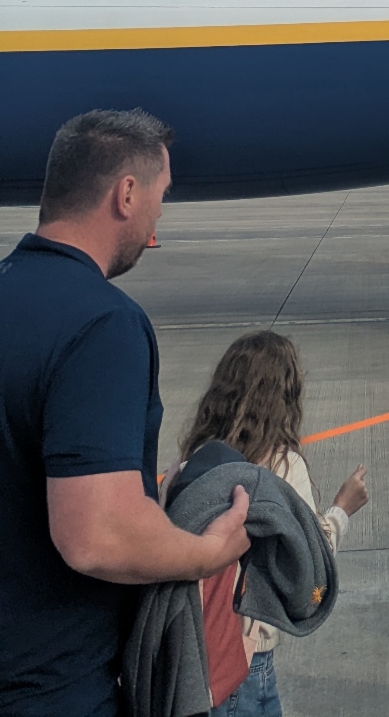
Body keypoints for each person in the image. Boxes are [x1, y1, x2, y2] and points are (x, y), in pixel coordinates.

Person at [0, 109, 251, 717]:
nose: (159, 217)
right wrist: (209, 552)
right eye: (161, 195)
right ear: (127, 193)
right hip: (52, 690)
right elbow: (96, 535)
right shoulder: (103, 323)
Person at [171, 331, 370, 716]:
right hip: (246, 656)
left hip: (196, 652)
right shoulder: (281, 466)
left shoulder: (191, 461)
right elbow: (307, 564)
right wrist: (342, 510)